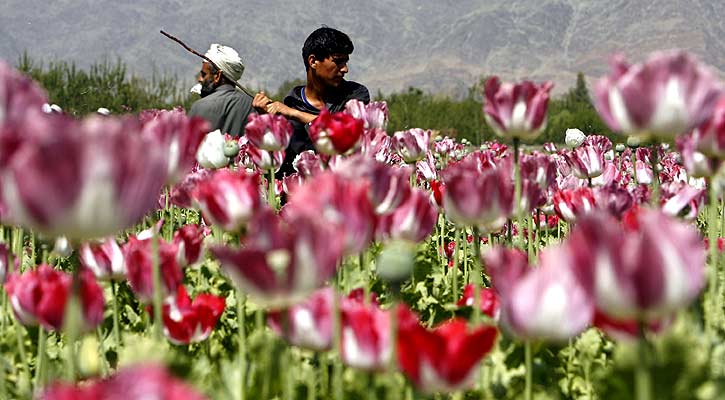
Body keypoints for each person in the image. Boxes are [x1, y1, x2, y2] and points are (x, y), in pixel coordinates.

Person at [253, 27, 370, 175]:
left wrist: (295, 114)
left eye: (345, 61)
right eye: (338, 61)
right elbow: (280, 168)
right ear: (313, 61)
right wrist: (267, 121)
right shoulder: (290, 105)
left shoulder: (355, 96)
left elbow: (345, 136)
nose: (345, 69)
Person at [189, 44, 254, 137]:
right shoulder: (252, 106)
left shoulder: (200, 106)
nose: (200, 79)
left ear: (217, 76)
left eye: (204, 74)